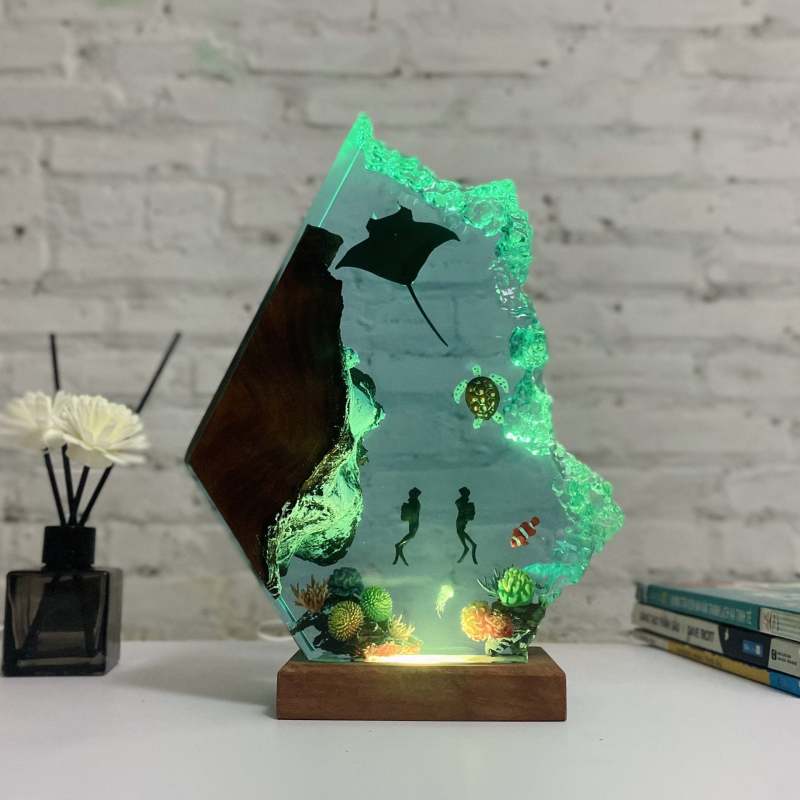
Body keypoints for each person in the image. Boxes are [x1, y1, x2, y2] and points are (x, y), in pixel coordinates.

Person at [394, 487, 421, 566]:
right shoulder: (414, 502)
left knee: (408, 538)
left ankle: (399, 554)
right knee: (410, 536)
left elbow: (413, 513)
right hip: (414, 523)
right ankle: (399, 549)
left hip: (414, 523)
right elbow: (412, 513)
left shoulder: (415, 502)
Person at [455, 486, 477, 564]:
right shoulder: (463, 502)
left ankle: (468, 546)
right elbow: (458, 504)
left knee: (460, 531)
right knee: (460, 531)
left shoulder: (468, 504)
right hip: (460, 519)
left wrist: (466, 518)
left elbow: (471, 515)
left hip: (462, 519)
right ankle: (469, 545)